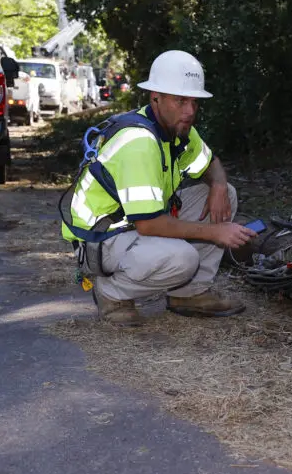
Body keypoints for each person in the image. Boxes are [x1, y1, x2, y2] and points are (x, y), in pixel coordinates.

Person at [61, 50, 257, 325]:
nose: (189, 111)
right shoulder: (139, 142)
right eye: (180, 101)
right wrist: (216, 232)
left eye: (194, 102)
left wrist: (220, 185)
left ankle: (189, 294)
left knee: (228, 196)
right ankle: (111, 293)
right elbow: (149, 224)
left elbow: (209, 162)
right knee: (183, 258)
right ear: (156, 98)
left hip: (132, 224)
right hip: (100, 237)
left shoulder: (177, 128)